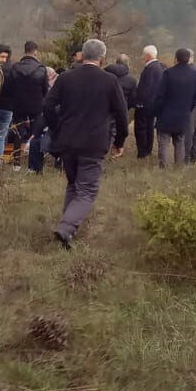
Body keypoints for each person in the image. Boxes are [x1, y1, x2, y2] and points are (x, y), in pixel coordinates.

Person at [44, 38, 129, 248]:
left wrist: (57, 128)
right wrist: (120, 141)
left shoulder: (66, 78)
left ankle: (67, 233)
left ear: (82, 55)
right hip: (93, 143)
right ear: (102, 58)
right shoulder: (110, 81)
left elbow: (47, 105)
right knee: (87, 191)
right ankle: (66, 228)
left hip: (67, 141)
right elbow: (121, 114)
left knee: (73, 185)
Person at [152, 48, 196, 168]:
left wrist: (157, 111)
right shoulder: (195, 75)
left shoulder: (168, 73)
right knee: (180, 142)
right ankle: (178, 167)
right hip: (184, 113)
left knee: (164, 142)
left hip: (166, 113)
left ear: (176, 58)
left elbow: (160, 95)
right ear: (189, 59)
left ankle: (164, 167)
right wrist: (188, 108)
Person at [0, 40, 50, 172]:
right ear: (35, 52)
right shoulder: (41, 69)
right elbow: (46, 90)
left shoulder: (14, 68)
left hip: (18, 105)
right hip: (36, 105)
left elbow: (8, 88)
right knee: (36, 134)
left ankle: (16, 164)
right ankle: (33, 166)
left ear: (24, 50)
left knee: (18, 132)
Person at [133, 45, 163, 159]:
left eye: (143, 55)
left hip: (144, 105)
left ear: (148, 55)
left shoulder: (150, 68)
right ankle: (148, 150)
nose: (142, 58)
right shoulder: (159, 67)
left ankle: (142, 152)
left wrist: (139, 102)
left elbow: (146, 88)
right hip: (153, 104)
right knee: (149, 128)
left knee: (140, 128)